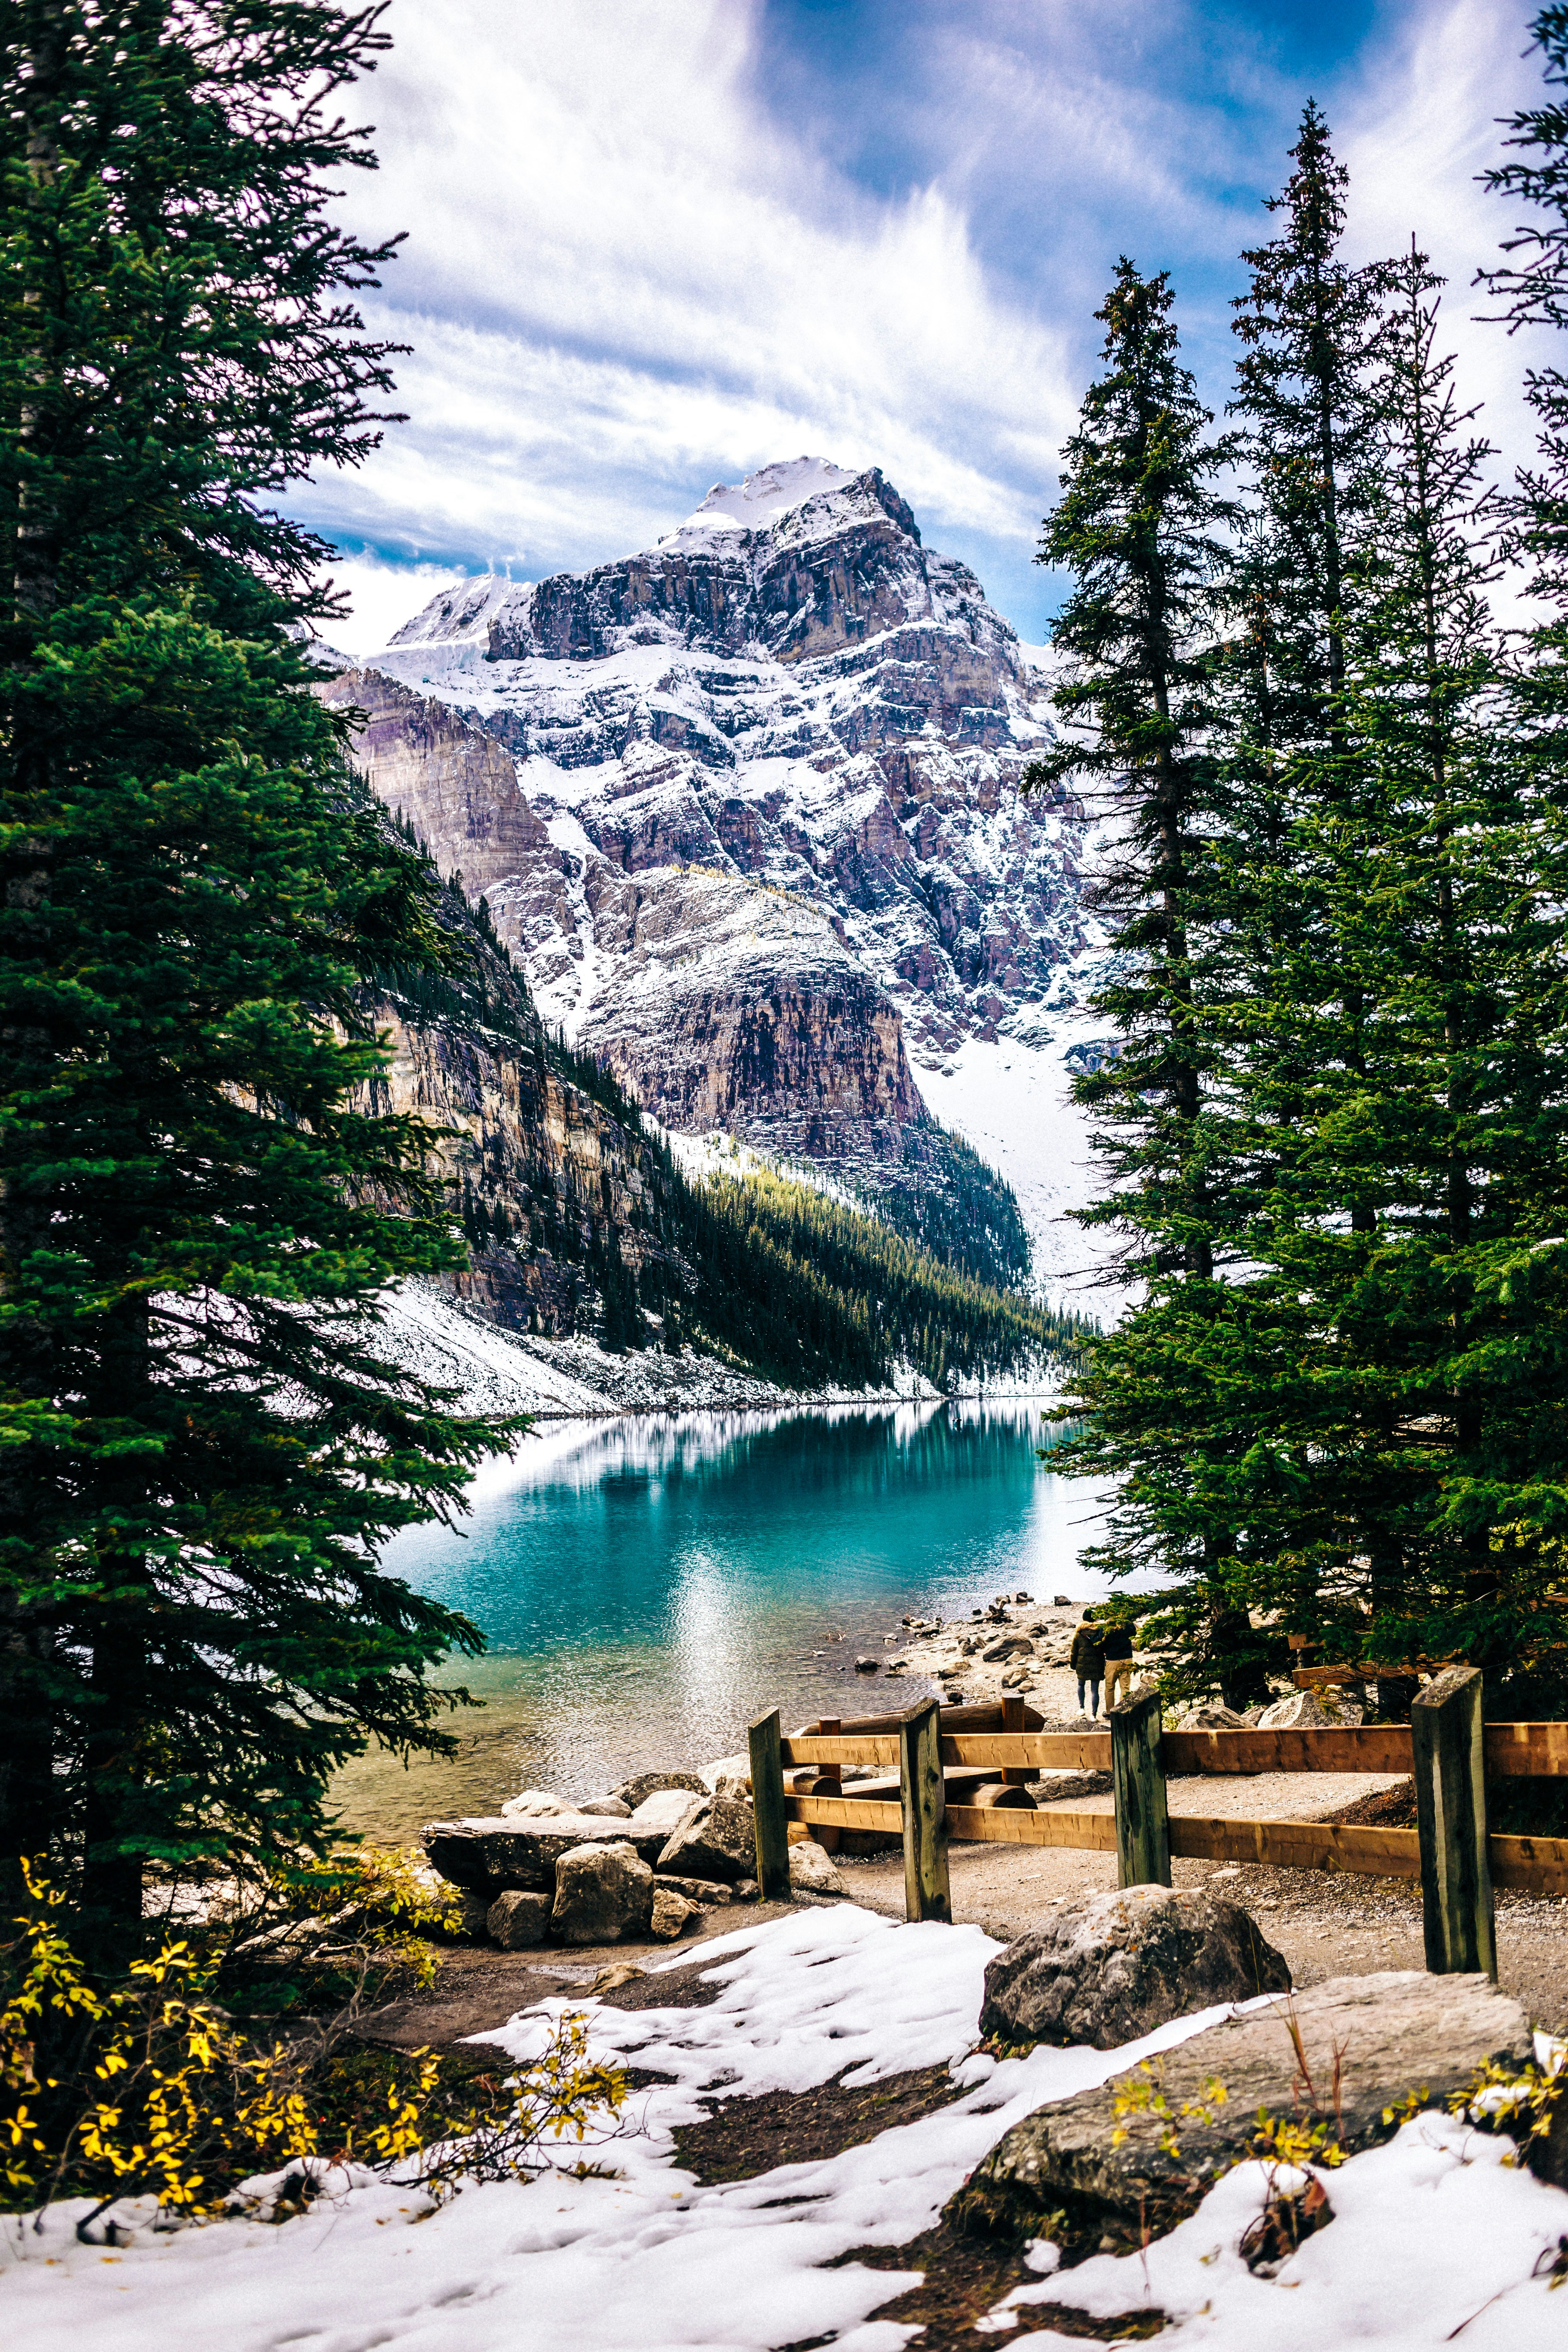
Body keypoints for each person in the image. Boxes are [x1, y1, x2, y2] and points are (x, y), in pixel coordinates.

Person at [1069, 1608, 1106, 1719]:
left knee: (1081, 1685)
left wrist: (1073, 1664)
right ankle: (1094, 1715)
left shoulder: (1079, 1633)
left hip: (1082, 1664)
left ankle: (1082, 1708)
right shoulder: (1100, 1632)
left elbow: (1073, 1651)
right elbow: (1103, 1648)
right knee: (1095, 1690)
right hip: (1097, 1664)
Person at [1102, 1610, 1137, 1709]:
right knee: (1125, 1687)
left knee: (1110, 1687)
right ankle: (1122, 1710)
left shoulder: (1108, 1627)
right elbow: (1134, 1633)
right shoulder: (1128, 1625)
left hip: (1112, 1659)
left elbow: (1102, 1641)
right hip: (1127, 1658)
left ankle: (1109, 1711)